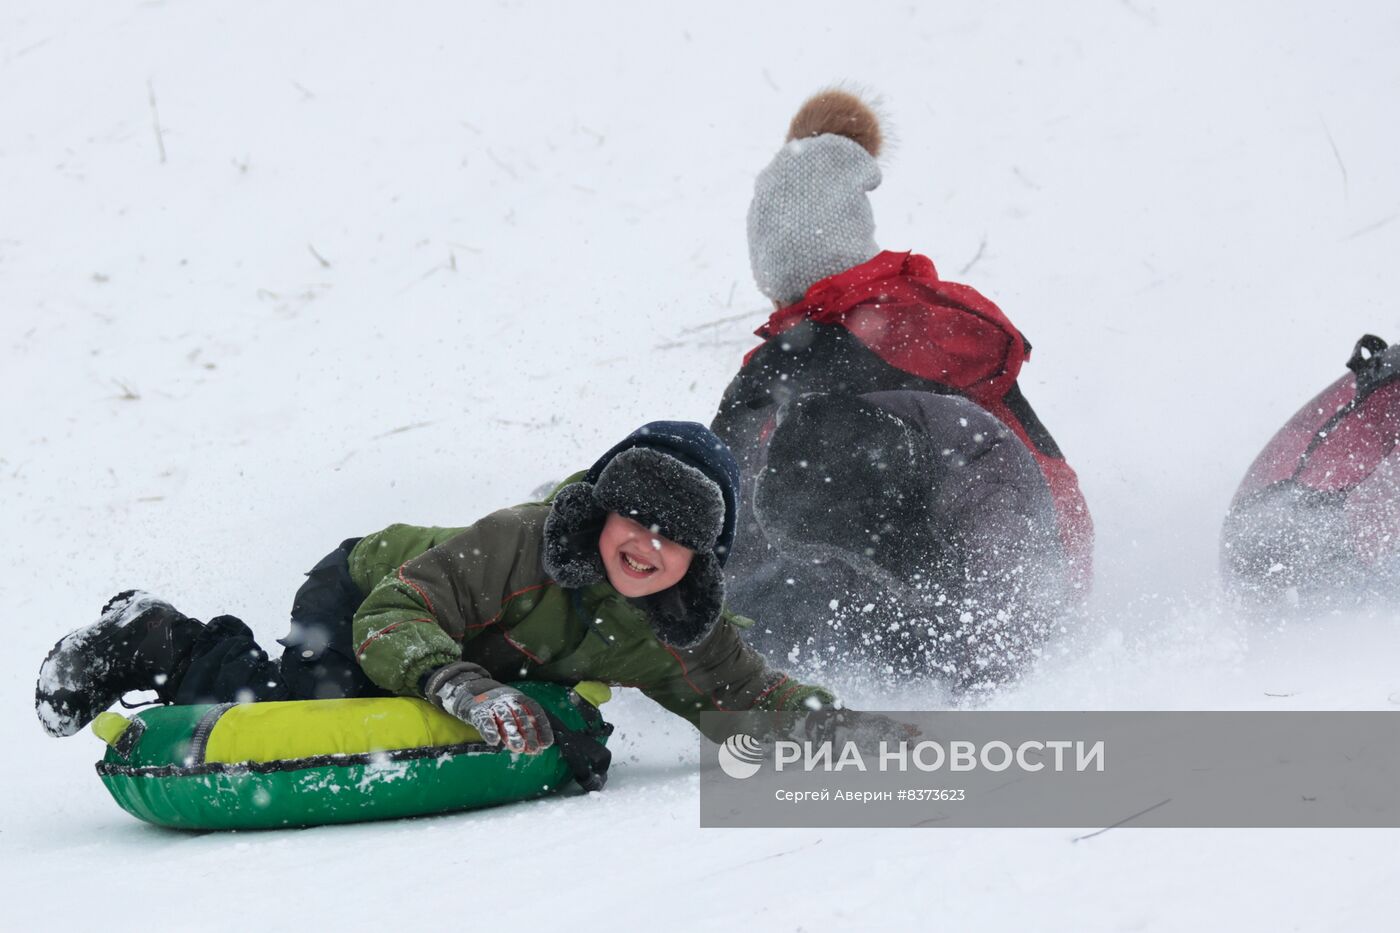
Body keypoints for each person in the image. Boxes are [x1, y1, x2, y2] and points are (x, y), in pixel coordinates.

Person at [35, 422, 838, 756]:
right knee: (320, 702)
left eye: (677, 539)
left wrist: (849, 734)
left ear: (703, 561)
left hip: (447, 640)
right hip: (369, 590)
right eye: (636, 516)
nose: (648, 545)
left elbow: (747, 695)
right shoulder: (526, 542)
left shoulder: (675, 630)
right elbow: (393, 614)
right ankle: (160, 637)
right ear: (603, 509)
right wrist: (456, 684)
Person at [712, 89, 1092, 690]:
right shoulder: (927, 324)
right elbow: (1026, 470)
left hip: (959, 617)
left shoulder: (809, 359)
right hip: (1030, 576)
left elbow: (728, 507)